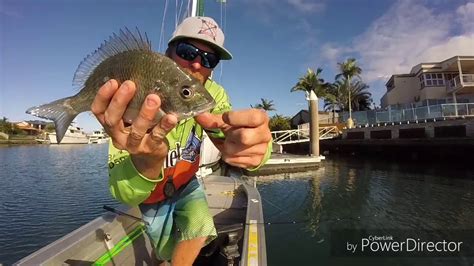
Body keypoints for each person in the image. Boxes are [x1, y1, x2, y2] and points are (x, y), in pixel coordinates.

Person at [91, 16, 272, 265]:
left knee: (199, 225)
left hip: (187, 183)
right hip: (150, 195)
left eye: (209, 59)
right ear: (168, 52)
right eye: (188, 51)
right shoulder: (137, 89)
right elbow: (125, 193)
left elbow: (228, 131)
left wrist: (254, 148)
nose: (197, 64)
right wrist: (147, 161)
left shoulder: (213, 94)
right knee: (164, 248)